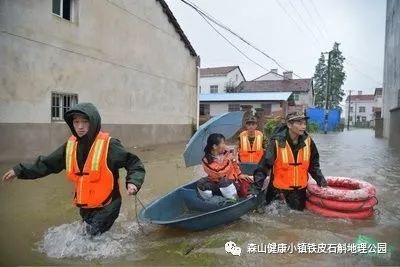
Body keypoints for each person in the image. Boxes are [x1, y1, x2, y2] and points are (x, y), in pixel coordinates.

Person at [2, 103, 145, 236]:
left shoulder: (110, 145)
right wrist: (19, 170)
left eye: (85, 122)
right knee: (88, 236)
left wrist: (133, 182)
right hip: (86, 206)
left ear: (93, 122)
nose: (80, 126)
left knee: (90, 240)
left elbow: (134, 163)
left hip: (108, 206)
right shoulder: (70, 146)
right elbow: (47, 164)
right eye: (76, 122)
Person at [253, 112, 327, 211]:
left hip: (299, 193)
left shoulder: (308, 142)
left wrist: (321, 180)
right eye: (299, 123)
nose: (303, 126)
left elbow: (314, 165)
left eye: (304, 123)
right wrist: (255, 189)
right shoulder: (276, 143)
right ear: (289, 125)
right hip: (278, 191)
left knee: (297, 221)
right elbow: (263, 167)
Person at [197, 133, 253, 200]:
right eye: (223, 143)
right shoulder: (206, 160)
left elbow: (234, 162)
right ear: (214, 146)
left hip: (232, 181)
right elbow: (218, 172)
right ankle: (210, 201)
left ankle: (234, 200)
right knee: (201, 182)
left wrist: (239, 174)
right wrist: (228, 159)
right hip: (216, 183)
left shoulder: (226, 152)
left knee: (224, 181)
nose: (225, 145)